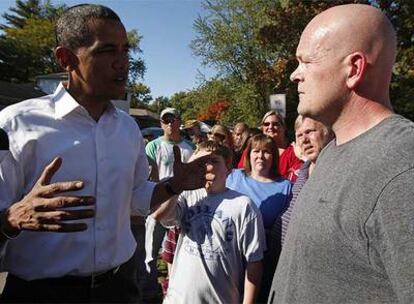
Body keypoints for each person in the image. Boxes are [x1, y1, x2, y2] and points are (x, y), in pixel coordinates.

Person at [0, 4, 211, 303]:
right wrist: (10, 219)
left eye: (125, 50)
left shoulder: (127, 128)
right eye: (107, 50)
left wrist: (172, 186)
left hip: (119, 289)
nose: (122, 62)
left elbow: (136, 200)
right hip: (40, 294)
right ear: (66, 58)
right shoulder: (15, 124)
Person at [269, 4, 414, 304]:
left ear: (354, 69)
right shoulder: (331, 151)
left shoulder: (403, 167)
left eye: (306, 61)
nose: (296, 75)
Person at [152, 141, 266, 304]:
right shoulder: (187, 196)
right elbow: (160, 216)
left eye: (214, 161)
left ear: (228, 169)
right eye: (200, 162)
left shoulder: (243, 205)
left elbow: (254, 262)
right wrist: (178, 185)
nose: (207, 166)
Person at [226, 133, 292, 302]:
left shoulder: (285, 187)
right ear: (248, 155)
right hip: (228, 251)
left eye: (266, 151)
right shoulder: (233, 177)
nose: (260, 156)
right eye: (256, 151)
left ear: (274, 157)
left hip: (262, 258)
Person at [144, 107, 195, 299]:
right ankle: (150, 291)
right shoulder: (153, 146)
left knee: (179, 251)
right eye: (166, 120)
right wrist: (156, 202)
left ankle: (176, 291)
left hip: (182, 207)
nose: (170, 123)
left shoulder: (189, 147)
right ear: (161, 124)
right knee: (151, 251)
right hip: (158, 204)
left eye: (174, 119)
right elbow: (150, 176)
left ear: (179, 122)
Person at [237, 111, 303, 182]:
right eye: (266, 124)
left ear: (284, 127)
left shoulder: (294, 152)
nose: (270, 127)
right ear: (262, 128)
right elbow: (241, 175)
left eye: (275, 124)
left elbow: (297, 179)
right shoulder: (251, 149)